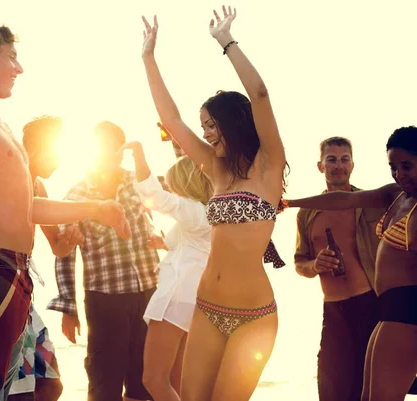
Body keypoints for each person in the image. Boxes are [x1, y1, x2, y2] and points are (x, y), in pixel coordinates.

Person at [0, 22, 130, 401]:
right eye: (11, 58)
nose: (18, 68)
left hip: (17, 272)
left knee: (43, 385)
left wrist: (96, 208)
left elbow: (26, 207)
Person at [141, 6, 288, 400]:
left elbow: (259, 95)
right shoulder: (217, 171)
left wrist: (227, 42)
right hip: (206, 307)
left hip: (253, 318)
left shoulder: (268, 166)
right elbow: (171, 121)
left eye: (210, 125)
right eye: (203, 125)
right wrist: (148, 59)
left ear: (232, 123)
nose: (205, 134)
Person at [287, 126, 417, 401]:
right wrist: (288, 202)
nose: (399, 173)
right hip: (383, 312)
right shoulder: (395, 195)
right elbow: (342, 199)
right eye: (393, 166)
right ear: (321, 165)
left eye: (407, 165)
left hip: (403, 310)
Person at [48, 121, 160, 401]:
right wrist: (68, 306)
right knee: (104, 383)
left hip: (150, 293)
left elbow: (182, 191)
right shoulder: (77, 195)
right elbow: (64, 255)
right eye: (104, 151)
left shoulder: (140, 182)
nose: (112, 159)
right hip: (105, 300)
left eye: (117, 153)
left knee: (145, 380)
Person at [294, 136, 384, 401]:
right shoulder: (307, 213)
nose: (338, 166)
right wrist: (314, 264)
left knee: (374, 390)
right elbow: (300, 262)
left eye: (344, 160)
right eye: (331, 160)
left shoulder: (371, 204)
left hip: (371, 305)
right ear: (320, 166)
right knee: (332, 389)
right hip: (333, 311)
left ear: (353, 165)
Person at [123, 139, 212, 401]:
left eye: (174, 184)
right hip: (193, 300)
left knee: (153, 379)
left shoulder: (194, 210)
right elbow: (184, 242)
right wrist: (163, 243)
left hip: (175, 299)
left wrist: (138, 153)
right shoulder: (207, 214)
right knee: (176, 380)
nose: (171, 189)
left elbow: (153, 195)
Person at [7, 115, 83, 401]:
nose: (59, 162)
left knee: (51, 385)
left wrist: (68, 240)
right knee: (18, 392)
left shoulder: (38, 186)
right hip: (0, 291)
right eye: (55, 153)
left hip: (24, 295)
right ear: (38, 149)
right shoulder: (7, 178)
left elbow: (58, 248)